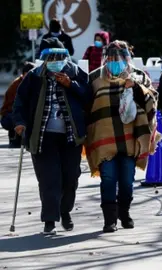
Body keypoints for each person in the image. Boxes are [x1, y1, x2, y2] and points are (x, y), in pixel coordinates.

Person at [13, 38, 89, 235]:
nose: (56, 60)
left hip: (71, 137)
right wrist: (20, 123)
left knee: (70, 178)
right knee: (49, 179)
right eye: (51, 57)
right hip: (42, 137)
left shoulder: (75, 73)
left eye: (59, 56)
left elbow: (88, 96)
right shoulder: (34, 76)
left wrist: (71, 85)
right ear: (44, 58)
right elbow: (19, 102)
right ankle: (50, 219)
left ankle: (65, 212)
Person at [85, 40, 160, 233]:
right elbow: (85, 105)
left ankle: (124, 213)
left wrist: (135, 87)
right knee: (108, 179)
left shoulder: (139, 76)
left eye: (119, 58)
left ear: (127, 58)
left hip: (130, 139)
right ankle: (109, 220)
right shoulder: (94, 78)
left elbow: (152, 100)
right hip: (103, 139)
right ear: (105, 58)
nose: (114, 62)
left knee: (127, 181)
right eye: (110, 58)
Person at [1, 62, 35, 148]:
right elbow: (14, 106)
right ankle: (15, 137)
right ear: (23, 75)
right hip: (10, 114)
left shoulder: (34, 83)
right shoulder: (17, 84)